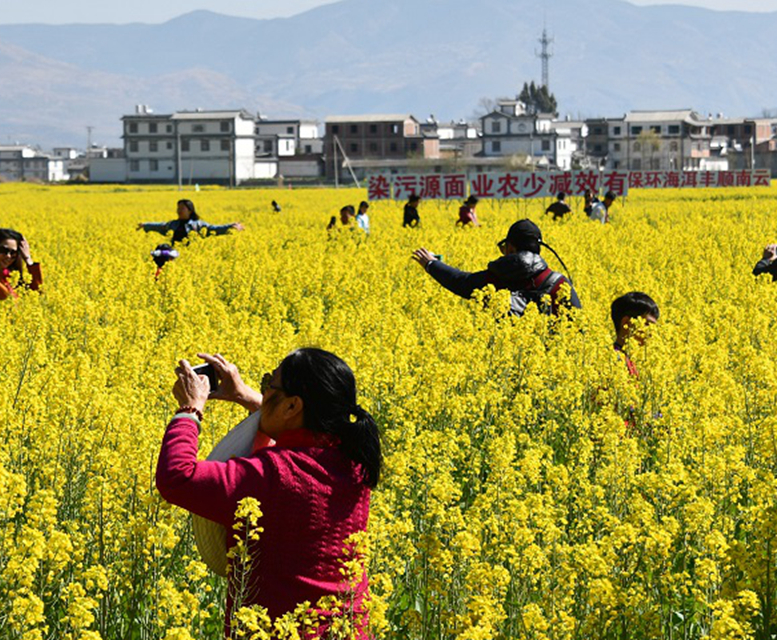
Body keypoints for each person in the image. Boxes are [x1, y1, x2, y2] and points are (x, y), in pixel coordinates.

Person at [157, 349, 380, 637]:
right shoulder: (356, 464)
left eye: (268, 385)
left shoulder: (273, 476)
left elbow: (177, 476)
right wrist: (245, 396)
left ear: (292, 406)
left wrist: (190, 409)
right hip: (346, 630)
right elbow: (300, 434)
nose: (263, 392)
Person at [412, 219, 582, 316]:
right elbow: (578, 325)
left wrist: (431, 264)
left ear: (511, 248)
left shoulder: (497, 278)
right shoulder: (559, 284)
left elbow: (462, 282)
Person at [138, 199, 244, 244]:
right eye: (178, 208)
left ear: (190, 210)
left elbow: (214, 229)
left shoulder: (198, 224)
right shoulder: (173, 224)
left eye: (182, 208)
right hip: (175, 255)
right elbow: (159, 226)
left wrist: (231, 226)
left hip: (192, 254)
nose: (179, 211)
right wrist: (145, 225)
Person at [611, 292, 659, 377]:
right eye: (647, 324)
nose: (652, 332)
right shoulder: (612, 361)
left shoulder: (632, 360)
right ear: (626, 323)